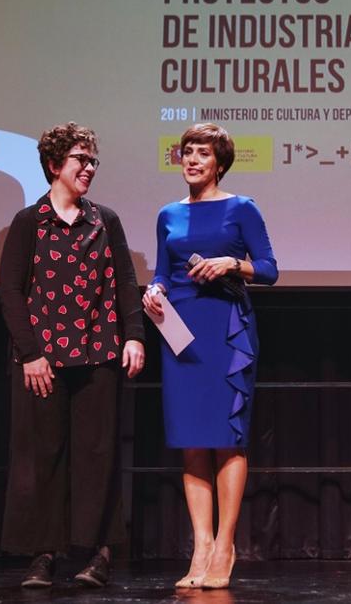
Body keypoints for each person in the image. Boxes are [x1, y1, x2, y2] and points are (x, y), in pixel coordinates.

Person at [0, 123, 146, 589]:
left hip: (99, 353)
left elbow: (124, 283)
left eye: (92, 161)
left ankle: (96, 551)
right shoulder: (29, 221)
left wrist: (135, 336)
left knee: (97, 455)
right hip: (43, 359)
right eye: (81, 160)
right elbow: (11, 292)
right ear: (54, 165)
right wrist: (30, 353)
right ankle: (43, 553)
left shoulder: (106, 220)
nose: (88, 169)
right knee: (44, 454)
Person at [142, 123, 278, 590]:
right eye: (186, 153)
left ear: (219, 162)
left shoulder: (242, 208)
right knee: (191, 439)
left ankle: (225, 544)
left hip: (224, 329)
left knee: (226, 437)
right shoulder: (168, 215)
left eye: (202, 153)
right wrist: (154, 291)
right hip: (180, 332)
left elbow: (270, 269)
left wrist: (230, 264)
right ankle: (199, 545)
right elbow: (162, 271)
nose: (193, 160)